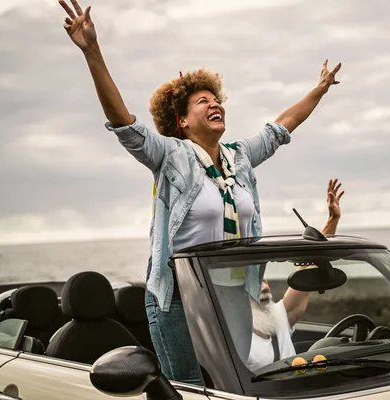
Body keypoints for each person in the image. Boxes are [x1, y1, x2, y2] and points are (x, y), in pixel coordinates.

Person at [58, 0, 342, 384]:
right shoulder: (170, 156)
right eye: (202, 101)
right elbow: (122, 121)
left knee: (230, 386)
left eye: (217, 98)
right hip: (179, 296)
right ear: (182, 120)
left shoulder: (239, 157)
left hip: (233, 295)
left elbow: (281, 128)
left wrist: (320, 90)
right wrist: (92, 51)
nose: (215, 103)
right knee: (189, 390)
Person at [247, 179, 345, 371]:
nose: (265, 285)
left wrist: (333, 220)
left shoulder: (279, 316)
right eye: (258, 283)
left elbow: (311, 264)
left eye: (264, 280)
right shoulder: (235, 333)